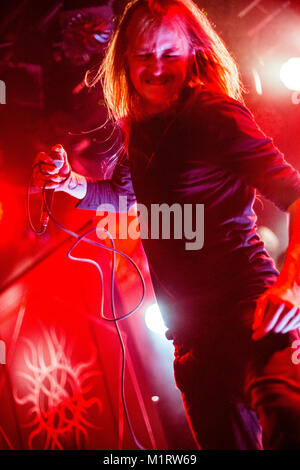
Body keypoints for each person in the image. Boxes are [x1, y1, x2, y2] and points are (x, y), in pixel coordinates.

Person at [33, 0, 300, 450]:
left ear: (193, 52)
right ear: (125, 60)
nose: (156, 67)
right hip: (191, 343)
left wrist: (291, 284)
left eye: (168, 53)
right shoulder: (137, 127)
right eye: (143, 55)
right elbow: (128, 196)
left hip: (248, 311)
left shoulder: (215, 114)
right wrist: (71, 182)